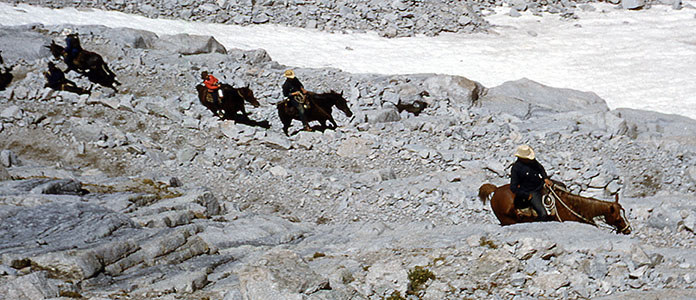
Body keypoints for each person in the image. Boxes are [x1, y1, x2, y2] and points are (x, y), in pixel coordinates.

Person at [510, 144, 553, 221]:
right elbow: (513, 187)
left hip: (540, 184)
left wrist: (545, 178)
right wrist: (527, 195)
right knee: (543, 213)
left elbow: (540, 168)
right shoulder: (516, 168)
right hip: (531, 191)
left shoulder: (532, 162)